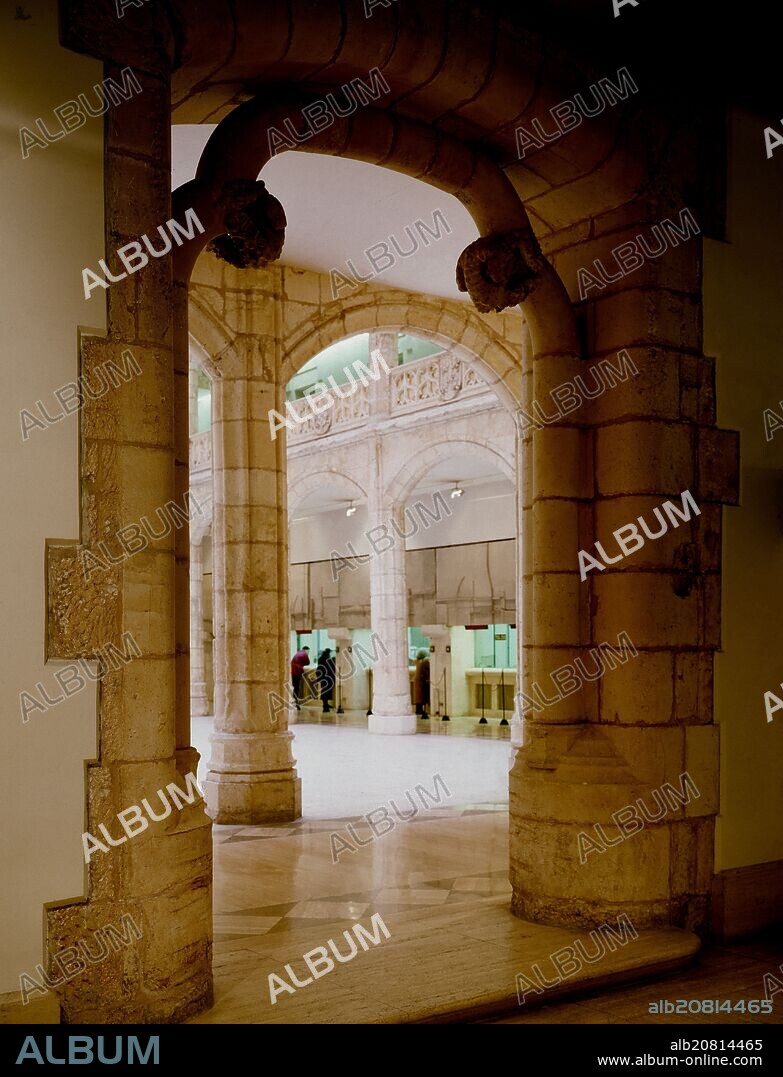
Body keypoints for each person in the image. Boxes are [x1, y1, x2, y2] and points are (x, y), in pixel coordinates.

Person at [316, 648, 336, 713]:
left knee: (324, 691)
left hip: (322, 678)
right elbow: (332, 668)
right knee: (326, 692)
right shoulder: (328, 660)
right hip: (328, 678)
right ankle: (325, 707)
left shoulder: (321, 658)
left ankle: (326, 704)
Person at [291, 645, 310, 710]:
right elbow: (308, 662)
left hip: (293, 672)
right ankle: (296, 703)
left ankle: (294, 702)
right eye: (308, 651)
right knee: (297, 688)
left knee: (294, 687)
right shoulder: (304, 654)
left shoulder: (298, 653)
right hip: (297, 672)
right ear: (306, 650)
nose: (308, 653)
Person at [414, 648, 430, 718]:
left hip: (417, 681)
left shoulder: (417, 661)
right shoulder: (424, 662)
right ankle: (421, 710)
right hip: (422, 681)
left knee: (418, 697)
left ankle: (419, 709)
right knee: (422, 697)